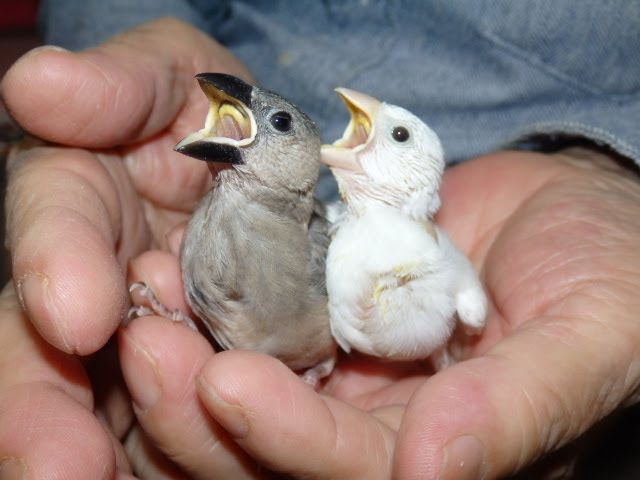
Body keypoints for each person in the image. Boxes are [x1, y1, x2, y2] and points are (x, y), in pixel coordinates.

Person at [1, 2, 639, 478]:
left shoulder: (317, 249)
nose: (237, 108)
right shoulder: (205, 217)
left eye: (276, 124)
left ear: (304, 161)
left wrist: (615, 172)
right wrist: (112, 43)